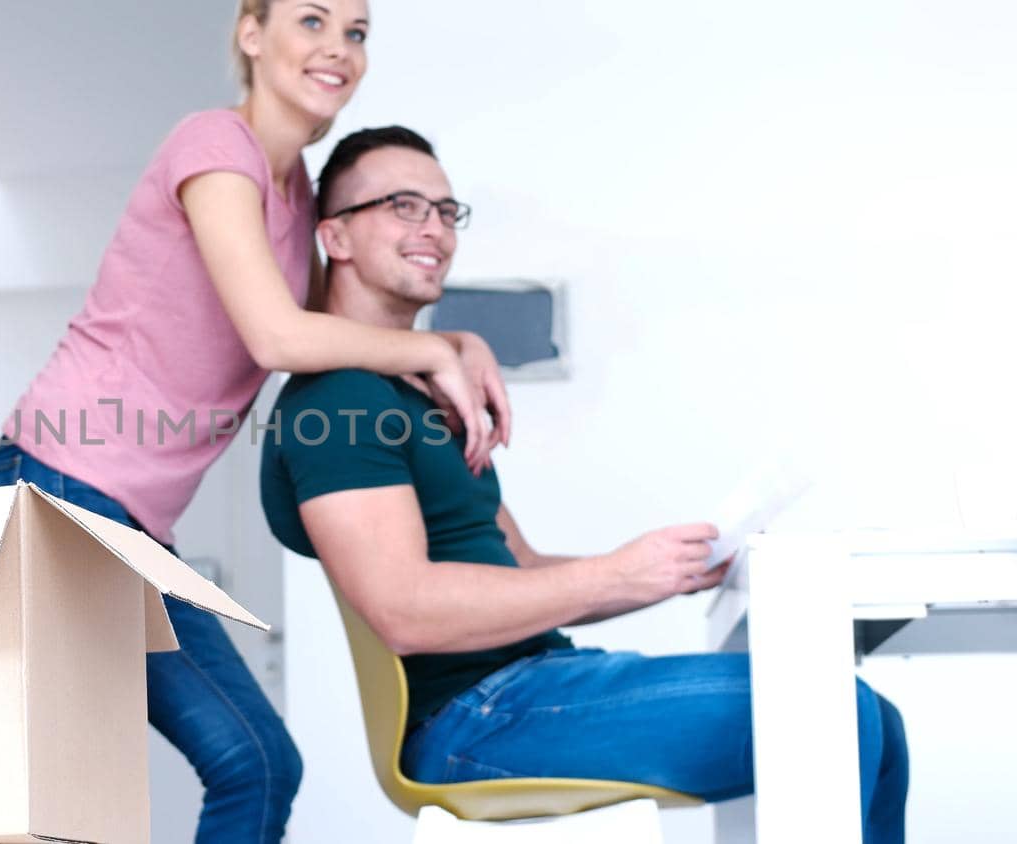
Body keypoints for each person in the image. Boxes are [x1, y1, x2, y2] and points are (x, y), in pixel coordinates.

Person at [258, 125, 909, 842]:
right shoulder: (339, 403)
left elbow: (523, 571)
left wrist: (658, 572)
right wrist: (613, 576)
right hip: (475, 718)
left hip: (533, 684)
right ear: (336, 238)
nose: (435, 229)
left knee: (872, 721)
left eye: (447, 212)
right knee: (833, 712)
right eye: (404, 206)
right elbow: (404, 609)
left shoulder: (420, 393)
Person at [0, 3, 518, 841]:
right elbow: (279, 335)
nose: (337, 48)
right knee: (73, 777)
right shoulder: (213, 148)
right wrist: (437, 353)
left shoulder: (298, 195)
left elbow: (336, 332)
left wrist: (455, 339)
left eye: (356, 32)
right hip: (59, 487)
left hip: (124, 518)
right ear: (252, 32)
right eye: (311, 20)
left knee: (252, 763)